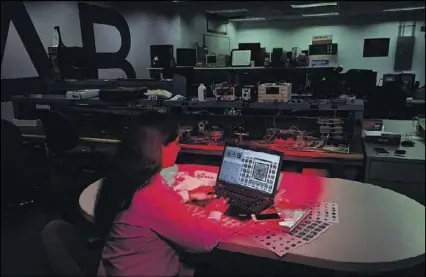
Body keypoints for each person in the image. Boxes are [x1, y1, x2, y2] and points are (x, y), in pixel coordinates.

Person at [95, 111, 230, 277]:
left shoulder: (124, 177)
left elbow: (144, 212)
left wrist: (187, 195)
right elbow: (203, 241)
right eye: (175, 143)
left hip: (122, 268)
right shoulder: (151, 194)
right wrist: (215, 211)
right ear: (159, 148)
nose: (178, 148)